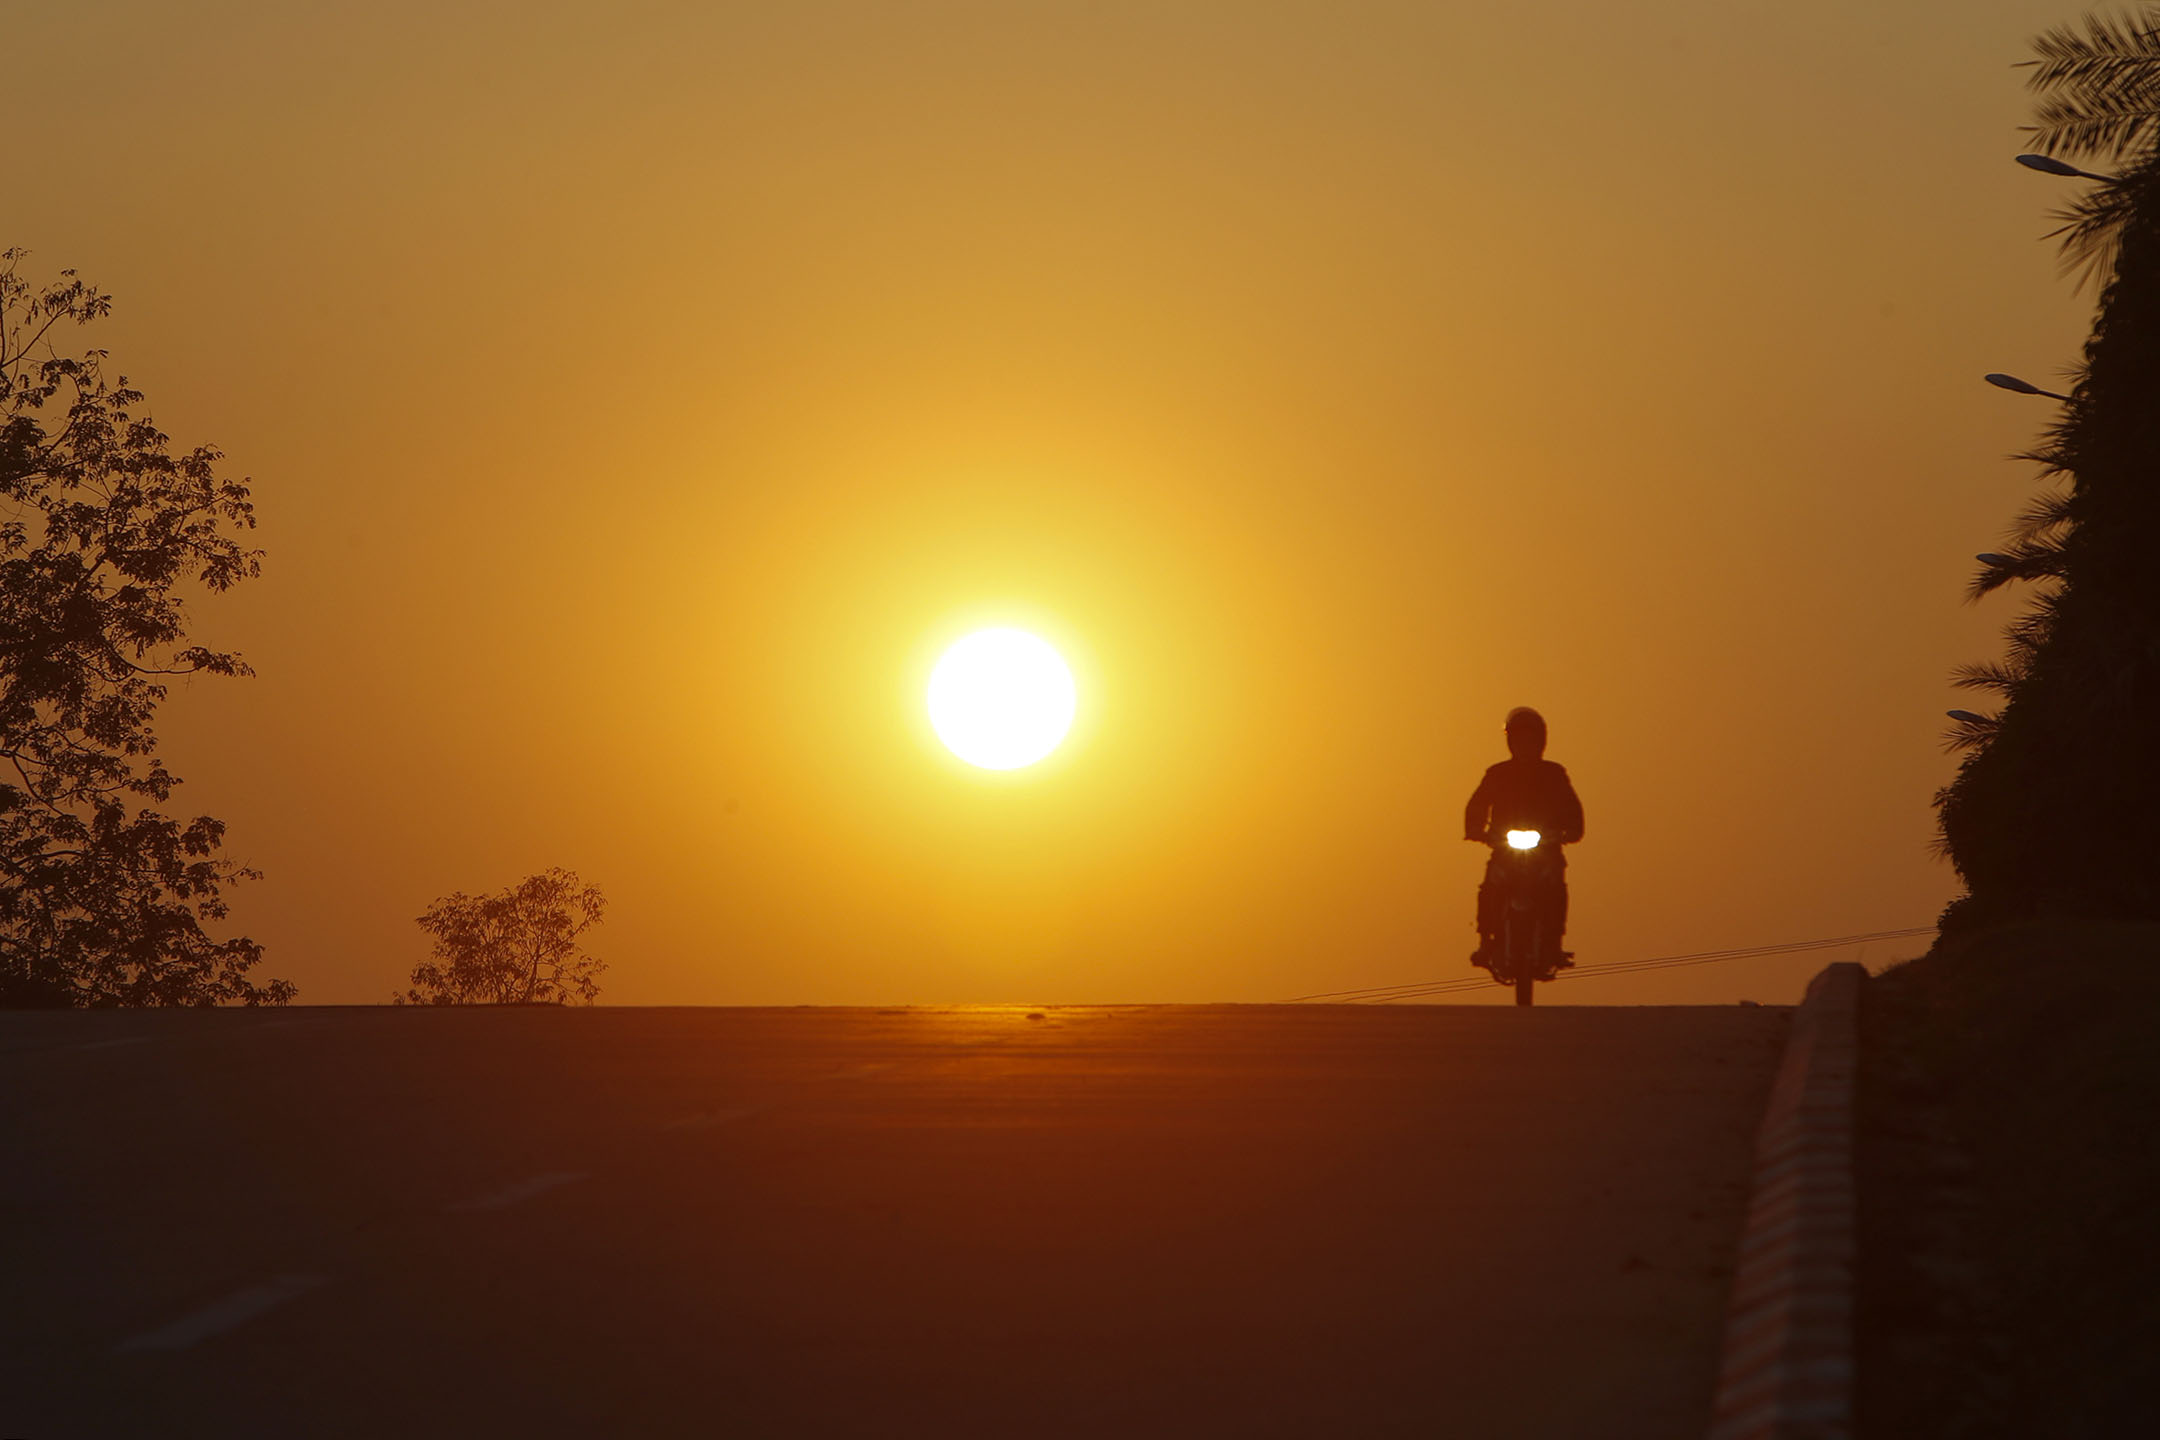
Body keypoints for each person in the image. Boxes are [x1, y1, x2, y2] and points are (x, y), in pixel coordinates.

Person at [1462, 707, 1584, 970]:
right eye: (1519, 740)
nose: (1524, 746)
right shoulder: (1497, 774)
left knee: (1556, 887)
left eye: (1530, 740)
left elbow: (1572, 807)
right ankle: (1485, 942)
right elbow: (1477, 804)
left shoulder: (1554, 774)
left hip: (1546, 850)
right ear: (1510, 742)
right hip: (1505, 849)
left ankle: (1554, 944)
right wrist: (1475, 829)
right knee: (1490, 887)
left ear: (1540, 742)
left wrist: (1572, 830)